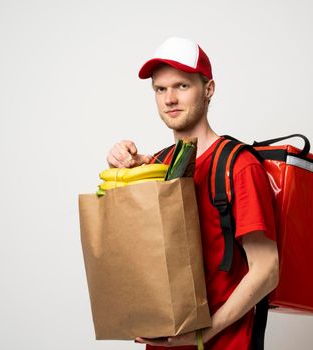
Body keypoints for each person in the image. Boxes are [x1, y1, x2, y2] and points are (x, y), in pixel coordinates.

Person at [106, 36, 279, 350]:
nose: (170, 98)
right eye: (160, 89)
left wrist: (203, 333)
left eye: (182, 86)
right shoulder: (156, 164)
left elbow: (267, 270)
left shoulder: (238, 165)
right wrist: (121, 172)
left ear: (208, 89)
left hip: (223, 344)